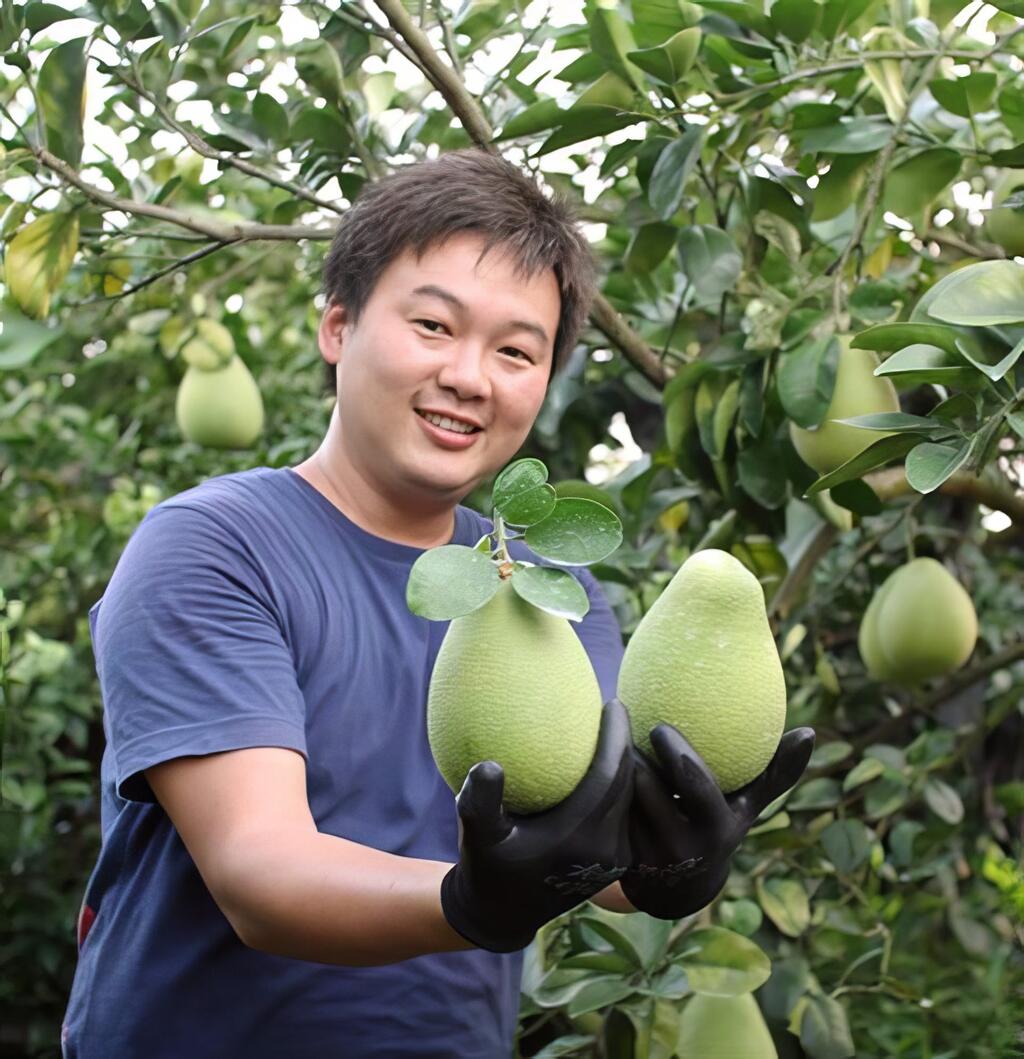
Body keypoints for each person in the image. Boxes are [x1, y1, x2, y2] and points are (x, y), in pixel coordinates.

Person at [60, 148, 813, 1058]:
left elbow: (590, 853)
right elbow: (259, 872)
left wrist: (669, 857)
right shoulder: (216, 547)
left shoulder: (556, 592)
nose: (470, 375)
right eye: (433, 325)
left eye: (515, 351)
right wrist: (469, 902)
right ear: (338, 325)